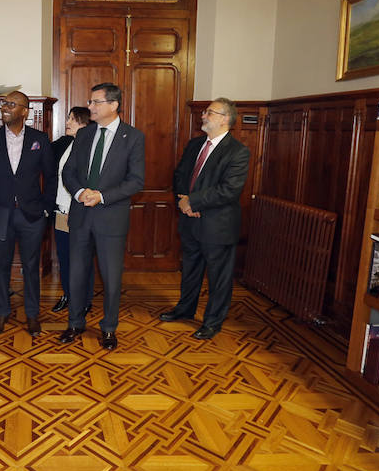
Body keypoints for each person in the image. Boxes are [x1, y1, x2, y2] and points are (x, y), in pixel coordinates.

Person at [59, 83, 145, 350]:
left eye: (96, 102)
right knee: (76, 274)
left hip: (111, 219)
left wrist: (102, 196)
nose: (90, 107)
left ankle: (109, 328)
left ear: (113, 105)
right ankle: (75, 323)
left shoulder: (132, 137)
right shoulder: (84, 135)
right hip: (81, 216)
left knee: (110, 277)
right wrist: (81, 191)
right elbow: (68, 173)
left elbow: (136, 181)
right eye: (90, 102)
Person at [160, 97, 250, 340]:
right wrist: (183, 199)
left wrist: (194, 201)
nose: (203, 115)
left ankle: (212, 322)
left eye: (210, 112)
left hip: (217, 226)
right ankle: (185, 309)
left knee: (219, 277)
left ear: (224, 119)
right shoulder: (194, 145)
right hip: (190, 221)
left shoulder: (238, 152)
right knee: (190, 269)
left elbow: (229, 189)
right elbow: (180, 174)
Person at [0, 91, 56, 337]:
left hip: (32, 216)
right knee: (1, 266)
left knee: (32, 267)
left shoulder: (40, 139)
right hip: (0, 216)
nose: (5, 108)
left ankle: (32, 315)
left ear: (24, 111)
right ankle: (2, 312)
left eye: (12, 104)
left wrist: (45, 209)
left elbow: (52, 178)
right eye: (4, 104)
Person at [50, 106, 92, 314]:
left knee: (82, 258)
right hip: (61, 211)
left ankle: (84, 300)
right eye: (68, 118)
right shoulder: (65, 144)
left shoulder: (91, 148)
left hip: (81, 212)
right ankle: (67, 294)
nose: (68, 122)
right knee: (64, 256)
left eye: (73, 119)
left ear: (85, 123)